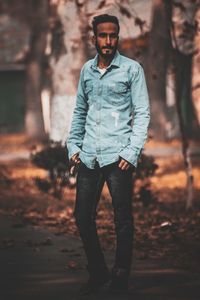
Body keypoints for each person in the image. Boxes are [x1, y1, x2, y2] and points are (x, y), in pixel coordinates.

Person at [67, 14, 150, 297]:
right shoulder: (86, 71)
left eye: (113, 35)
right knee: (81, 217)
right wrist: (73, 147)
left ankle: (120, 274)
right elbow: (80, 112)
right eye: (102, 35)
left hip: (119, 157)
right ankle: (98, 270)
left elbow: (142, 113)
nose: (108, 41)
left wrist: (132, 150)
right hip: (89, 154)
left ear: (118, 37)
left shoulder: (132, 70)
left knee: (123, 220)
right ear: (94, 38)